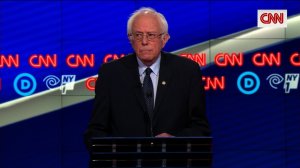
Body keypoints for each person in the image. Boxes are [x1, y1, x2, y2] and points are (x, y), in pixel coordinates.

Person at [84, 7, 210, 145]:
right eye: (138, 35)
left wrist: (175, 142)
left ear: (165, 39)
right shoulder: (111, 73)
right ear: (130, 39)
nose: (144, 41)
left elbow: (200, 128)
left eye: (151, 35)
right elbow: (95, 131)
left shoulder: (187, 71)